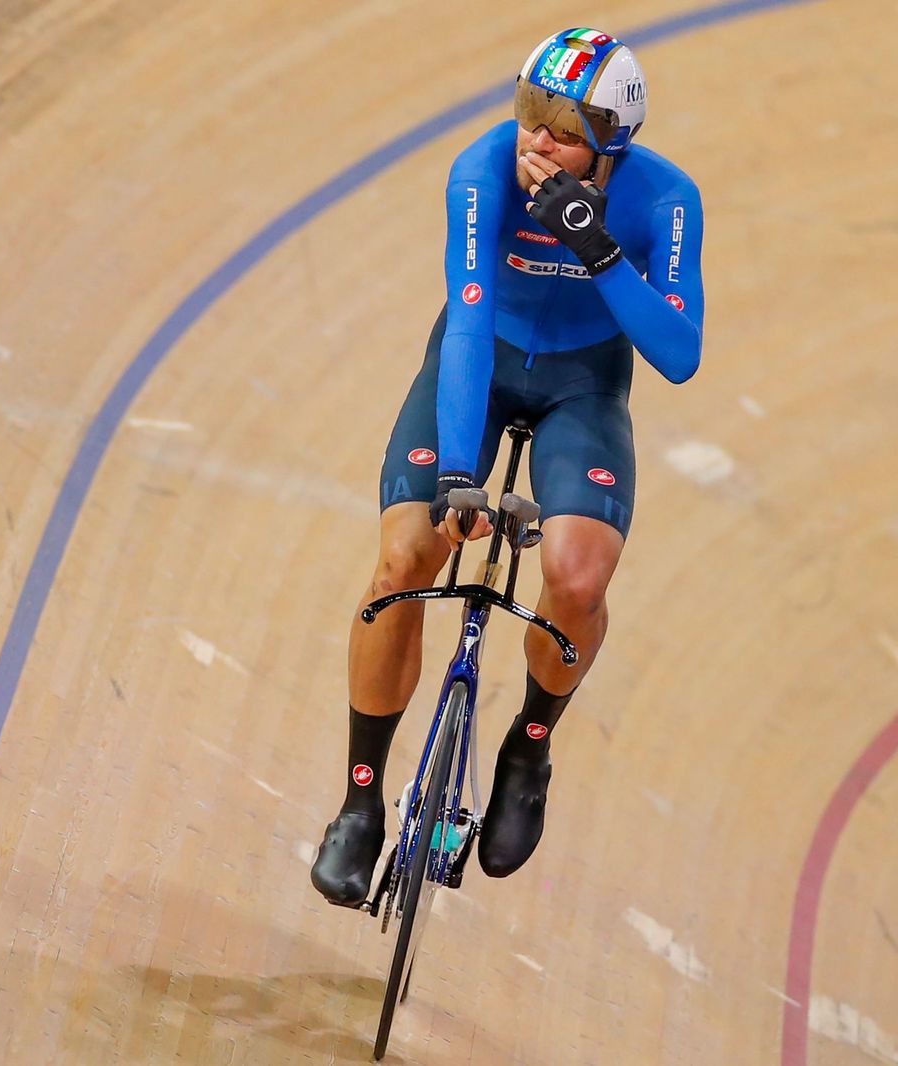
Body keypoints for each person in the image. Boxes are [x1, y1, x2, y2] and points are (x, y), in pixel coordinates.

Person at [312, 27, 705, 905]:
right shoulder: (481, 172)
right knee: (405, 559)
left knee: (575, 575)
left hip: (583, 387)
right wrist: (458, 472)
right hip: (479, 368)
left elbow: (678, 354)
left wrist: (598, 246)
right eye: (529, 113)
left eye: (561, 129)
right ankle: (359, 805)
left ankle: (528, 745)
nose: (536, 139)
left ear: (610, 144)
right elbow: (471, 318)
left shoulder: (666, 201)